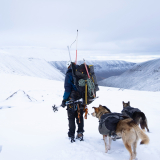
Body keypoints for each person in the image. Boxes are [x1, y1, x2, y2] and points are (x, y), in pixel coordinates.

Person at [61, 61, 84, 143]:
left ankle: (71, 135)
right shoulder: (80, 72)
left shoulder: (69, 74)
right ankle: (80, 133)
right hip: (81, 99)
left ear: (68, 66)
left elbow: (67, 89)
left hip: (71, 100)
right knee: (79, 117)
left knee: (71, 118)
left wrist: (64, 100)